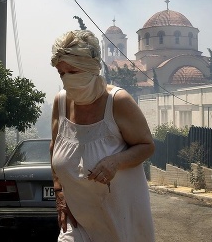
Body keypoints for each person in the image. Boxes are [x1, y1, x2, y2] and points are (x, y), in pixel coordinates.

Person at [49, 29, 156, 242]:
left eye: (73, 72)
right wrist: (59, 193)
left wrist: (116, 161)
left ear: (91, 68)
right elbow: (54, 147)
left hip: (120, 223)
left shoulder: (118, 101)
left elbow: (147, 146)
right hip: (78, 223)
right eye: (61, 73)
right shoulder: (60, 103)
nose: (66, 80)